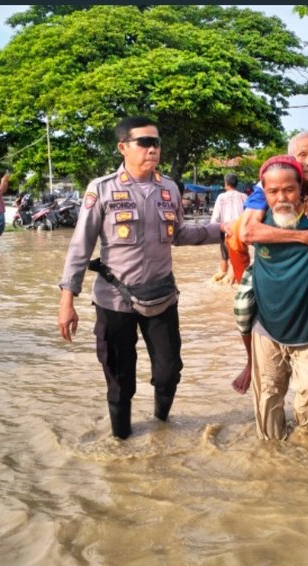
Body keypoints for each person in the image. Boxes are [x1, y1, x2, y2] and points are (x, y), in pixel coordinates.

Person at [57, 115, 223, 440]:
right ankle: (122, 444)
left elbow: (180, 234)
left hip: (161, 297)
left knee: (169, 372)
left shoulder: (169, 189)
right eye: (144, 142)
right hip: (114, 301)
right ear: (123, 147)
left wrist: (223, 231)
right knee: (120, 380)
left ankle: (162, 428)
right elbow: (81, 246)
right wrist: (67, 301)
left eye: (157, 142)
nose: (153, 149)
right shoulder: (102, 189)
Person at [225, 155, 308, 440]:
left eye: (289, 190)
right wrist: (246, 273)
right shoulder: (256, 220)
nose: (281, 197)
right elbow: (234, 243)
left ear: (301, 189)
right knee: (268, 399)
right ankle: (274, 461)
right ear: (264, 193)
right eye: (273, 191)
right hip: (266, 327)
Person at [210, 173, 247, 282]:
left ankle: (223, 281)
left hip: (225, 231)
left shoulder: (221, 197)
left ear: (226, 184)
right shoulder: (244, 196)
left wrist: (212, 232)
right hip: (240, 231)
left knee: (224, 258)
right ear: (236, 184)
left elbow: (215, 218)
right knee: (238, 259)